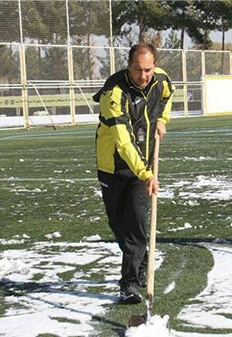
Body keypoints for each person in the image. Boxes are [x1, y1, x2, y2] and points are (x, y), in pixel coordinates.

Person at [92, 43, 174, 303]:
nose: (143, 75)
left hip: (143, 168)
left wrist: (163, 120)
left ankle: (129, 285)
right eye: (138, 69)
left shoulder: (160, 79)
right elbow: (123, 141)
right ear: (128, 66)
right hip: (113, 166)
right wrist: (146, 173)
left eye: (148, 69)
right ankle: (141, 263)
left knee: (136, 225)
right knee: (119, 226)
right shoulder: (113, 93)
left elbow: (168, 96)